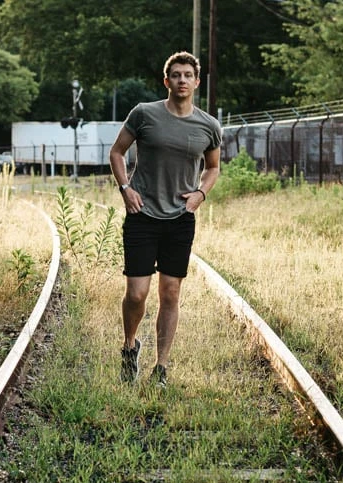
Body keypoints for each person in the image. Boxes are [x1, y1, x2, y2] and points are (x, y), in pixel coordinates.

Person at [109, 51, 222, 388]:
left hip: (180, 219)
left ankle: (161, 367)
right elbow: (117, 152)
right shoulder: (144, 114)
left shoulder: (208, 125)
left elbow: (213, 167)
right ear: (166, 81)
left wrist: (200, 194)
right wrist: (125, 188)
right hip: (141, 214)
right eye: (176, 75)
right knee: (137, 294)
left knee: (170, 293)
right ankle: (129, 346)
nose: (182, 80)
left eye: (188, 75)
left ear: (197, 82)